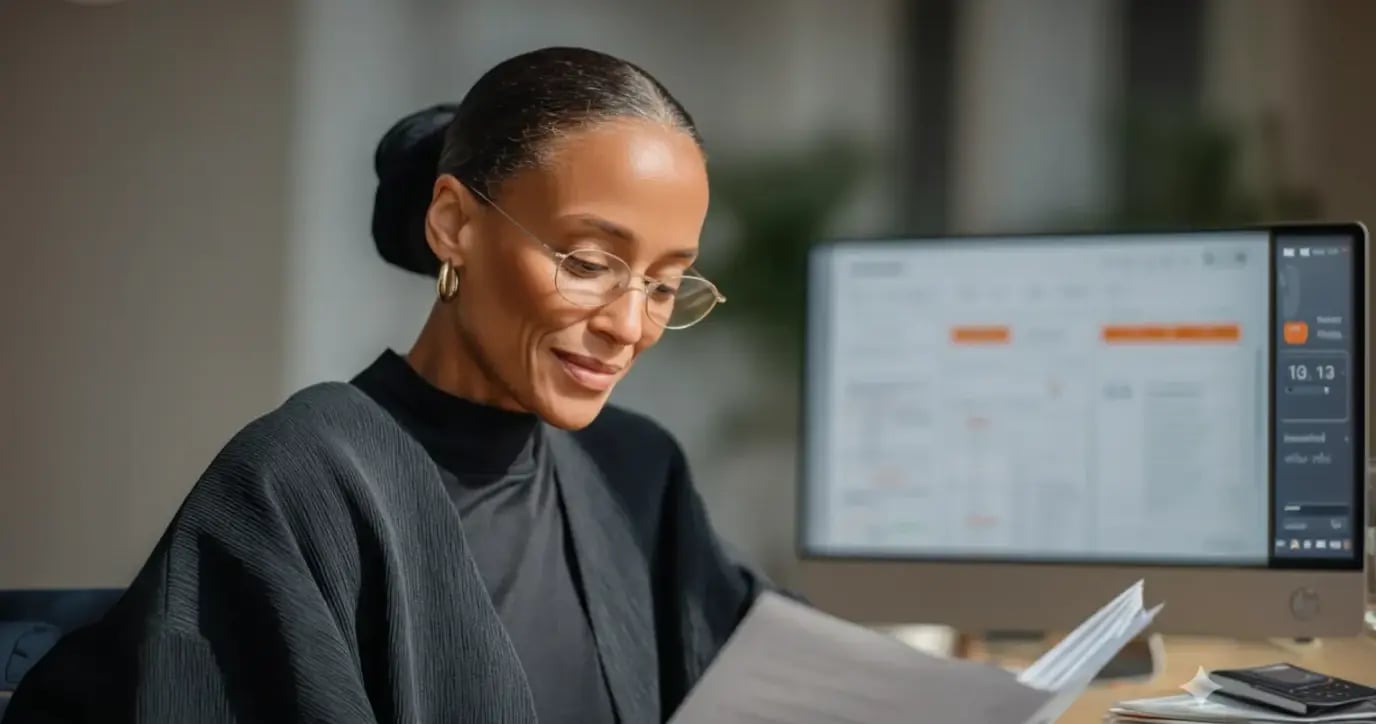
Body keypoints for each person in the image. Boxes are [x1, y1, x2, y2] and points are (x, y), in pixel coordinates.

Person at [4, 46, 775, 724]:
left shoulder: (636, 472)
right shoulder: (303, 479)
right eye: (587, 263)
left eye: (666, 285)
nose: (630, 325)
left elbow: (773, 667)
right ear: (454, 225)